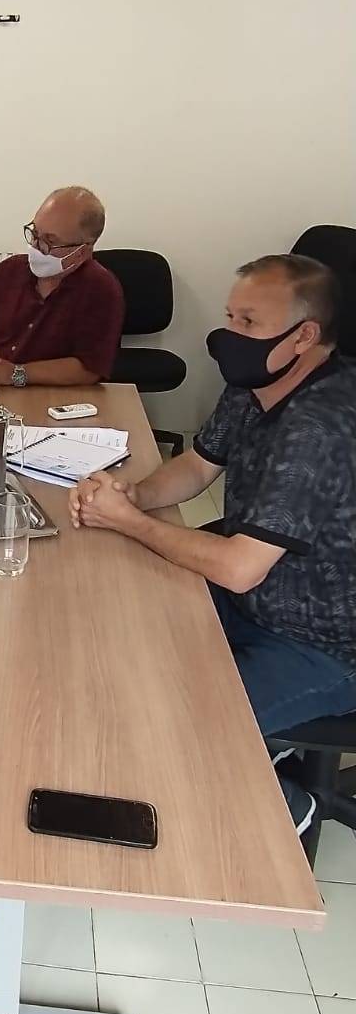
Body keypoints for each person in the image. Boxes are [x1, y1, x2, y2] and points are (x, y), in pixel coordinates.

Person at [69, 254, 356, 834]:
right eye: (230, 317)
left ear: (305, 337)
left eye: (248, 322)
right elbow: (199, 465)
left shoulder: (319, 427)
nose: (230, 336)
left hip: (324, 642)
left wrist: (129, 523)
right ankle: (257, 741)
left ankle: (288, 807)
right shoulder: (258, 382)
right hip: (255, 597)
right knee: (116, 633)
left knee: (169, 727)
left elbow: (240, 567)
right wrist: (133, 495)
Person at [0, 186, 124, 389]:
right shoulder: (9, 270)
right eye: (34, 234)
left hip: (55, 395)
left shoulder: (101, 290)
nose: (36, 247)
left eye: (49, 241)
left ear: (81, 251)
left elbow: (89, 369)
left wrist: (16, 374)